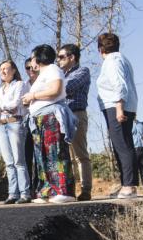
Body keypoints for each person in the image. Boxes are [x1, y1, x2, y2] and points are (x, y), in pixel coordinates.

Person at [21, 44, 77, 203]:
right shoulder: (42, 75)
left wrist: (32, 96)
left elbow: (55, 90)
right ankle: (47, 191)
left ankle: (64, 191)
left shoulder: (53, 69)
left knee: (56, 152)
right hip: (39, 118)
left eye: (32, 57)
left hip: (50, 117)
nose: (31, 61)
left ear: (39, 57)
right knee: (41, 156)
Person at [95, 32, 139, 199]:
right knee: (123, 143)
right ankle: (126, 184)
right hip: (123, 105)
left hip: (117, 106)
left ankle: (129, 186)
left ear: (101, 49)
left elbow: (119, 84)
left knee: (122, 144)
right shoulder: (122, 59)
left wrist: (119, 107)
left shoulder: (112, 61)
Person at [0, 60, 31, 204]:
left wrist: (0, 107)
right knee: (8, 162)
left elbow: (15, 104)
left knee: (19, 160)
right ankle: (12, 194)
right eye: (0, 69)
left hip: (15, 123)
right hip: (1, 126)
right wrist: (1, 107)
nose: (2, 71)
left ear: (13, 70)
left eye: (5, 68)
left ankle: (25, 193)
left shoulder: (20, 85)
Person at [57, 44, 93, 201]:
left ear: (72, 57)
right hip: (62, 117)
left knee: (80, 155)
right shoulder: (60, 75)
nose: (58, 60)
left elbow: (67, 88)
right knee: (65, 156)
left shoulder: (82, 72)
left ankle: (86, 189)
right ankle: (68, 189)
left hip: (77, 114)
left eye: (61, 57)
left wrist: (53, 86)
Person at [23, 57, 39, 194]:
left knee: (40, 155)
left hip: (41, 121)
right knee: (27, 156)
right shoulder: (23, 85)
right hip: (26, 123)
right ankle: (29, 190)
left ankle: (40, 186)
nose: (31, 70)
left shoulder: (44, 82)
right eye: (27, 68)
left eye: (33, 67)